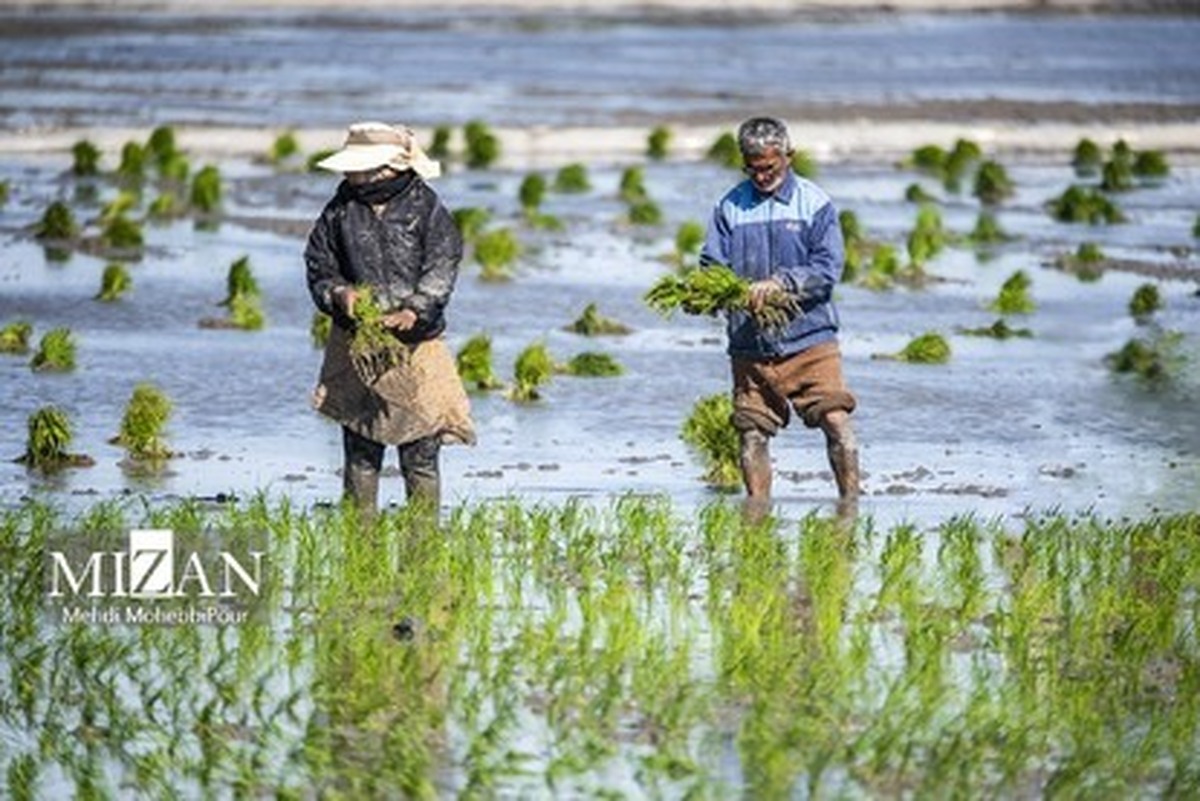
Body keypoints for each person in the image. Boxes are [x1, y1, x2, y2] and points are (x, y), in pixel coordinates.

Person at [305, 121, 475, 519]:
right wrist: (338, 293)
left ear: (388, 169)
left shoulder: (426, 209)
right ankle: (359, 535)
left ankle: (424, 539)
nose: (350, 175)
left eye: (358, 168)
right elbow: (318, 265)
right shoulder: (339, 211)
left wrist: (415, 309)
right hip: (359, 346)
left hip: (417, 347)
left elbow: (442, 267)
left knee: (421, 453)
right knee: (361, 451)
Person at [699, 116, 860, 514]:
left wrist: (781, 284)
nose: (761, 176)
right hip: (750, 344)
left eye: (769, 167)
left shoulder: (815, 204)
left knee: (836, 420)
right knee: (752, 431)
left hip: (810, 339)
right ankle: (756, 516)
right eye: (752, 168)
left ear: (789, 156)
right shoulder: (729, 207)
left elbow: (827, 269)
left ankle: (851, 509)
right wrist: (715, 293)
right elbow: (711, 266)